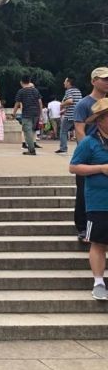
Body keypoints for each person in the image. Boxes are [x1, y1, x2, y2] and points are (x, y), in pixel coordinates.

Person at [70, 99, 108, 301]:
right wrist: (100, 168)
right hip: (99, 202)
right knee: (99, 243)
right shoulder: (89, 143)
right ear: (100, 120)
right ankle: (99, 282)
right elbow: (74, 167)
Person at [73, 67, 108, 241]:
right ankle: (82, 226)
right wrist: (87, 150)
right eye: (104, 79)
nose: (107, 82)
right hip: (91, 151)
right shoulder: (84, 103)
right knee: (83, 192)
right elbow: (79, 130)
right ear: (94, 81)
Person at [11, 76, 43, 156]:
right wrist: (41, 113)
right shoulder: (35, 90)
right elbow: (40, 102)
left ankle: (31, 150)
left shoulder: (21, 91)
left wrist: (14, 113)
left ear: (21, 82)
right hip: (36, 113)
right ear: (29, 81)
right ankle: (31, 148)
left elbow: (17, 103)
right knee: (32, 131)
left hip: (27, 114)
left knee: (27, 132)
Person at [57, 77, 82, 154]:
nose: (64, 83)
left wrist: (62, 104)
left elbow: (70, 101)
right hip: (79, 115)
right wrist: (65, 110)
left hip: (70, 116)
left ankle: (63, 148)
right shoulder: (78, 91)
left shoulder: (69, 91)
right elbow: (76, 103)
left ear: (68, 82)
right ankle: (80, 149)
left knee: (63, 131)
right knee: (78, 132)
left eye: (65, 81)